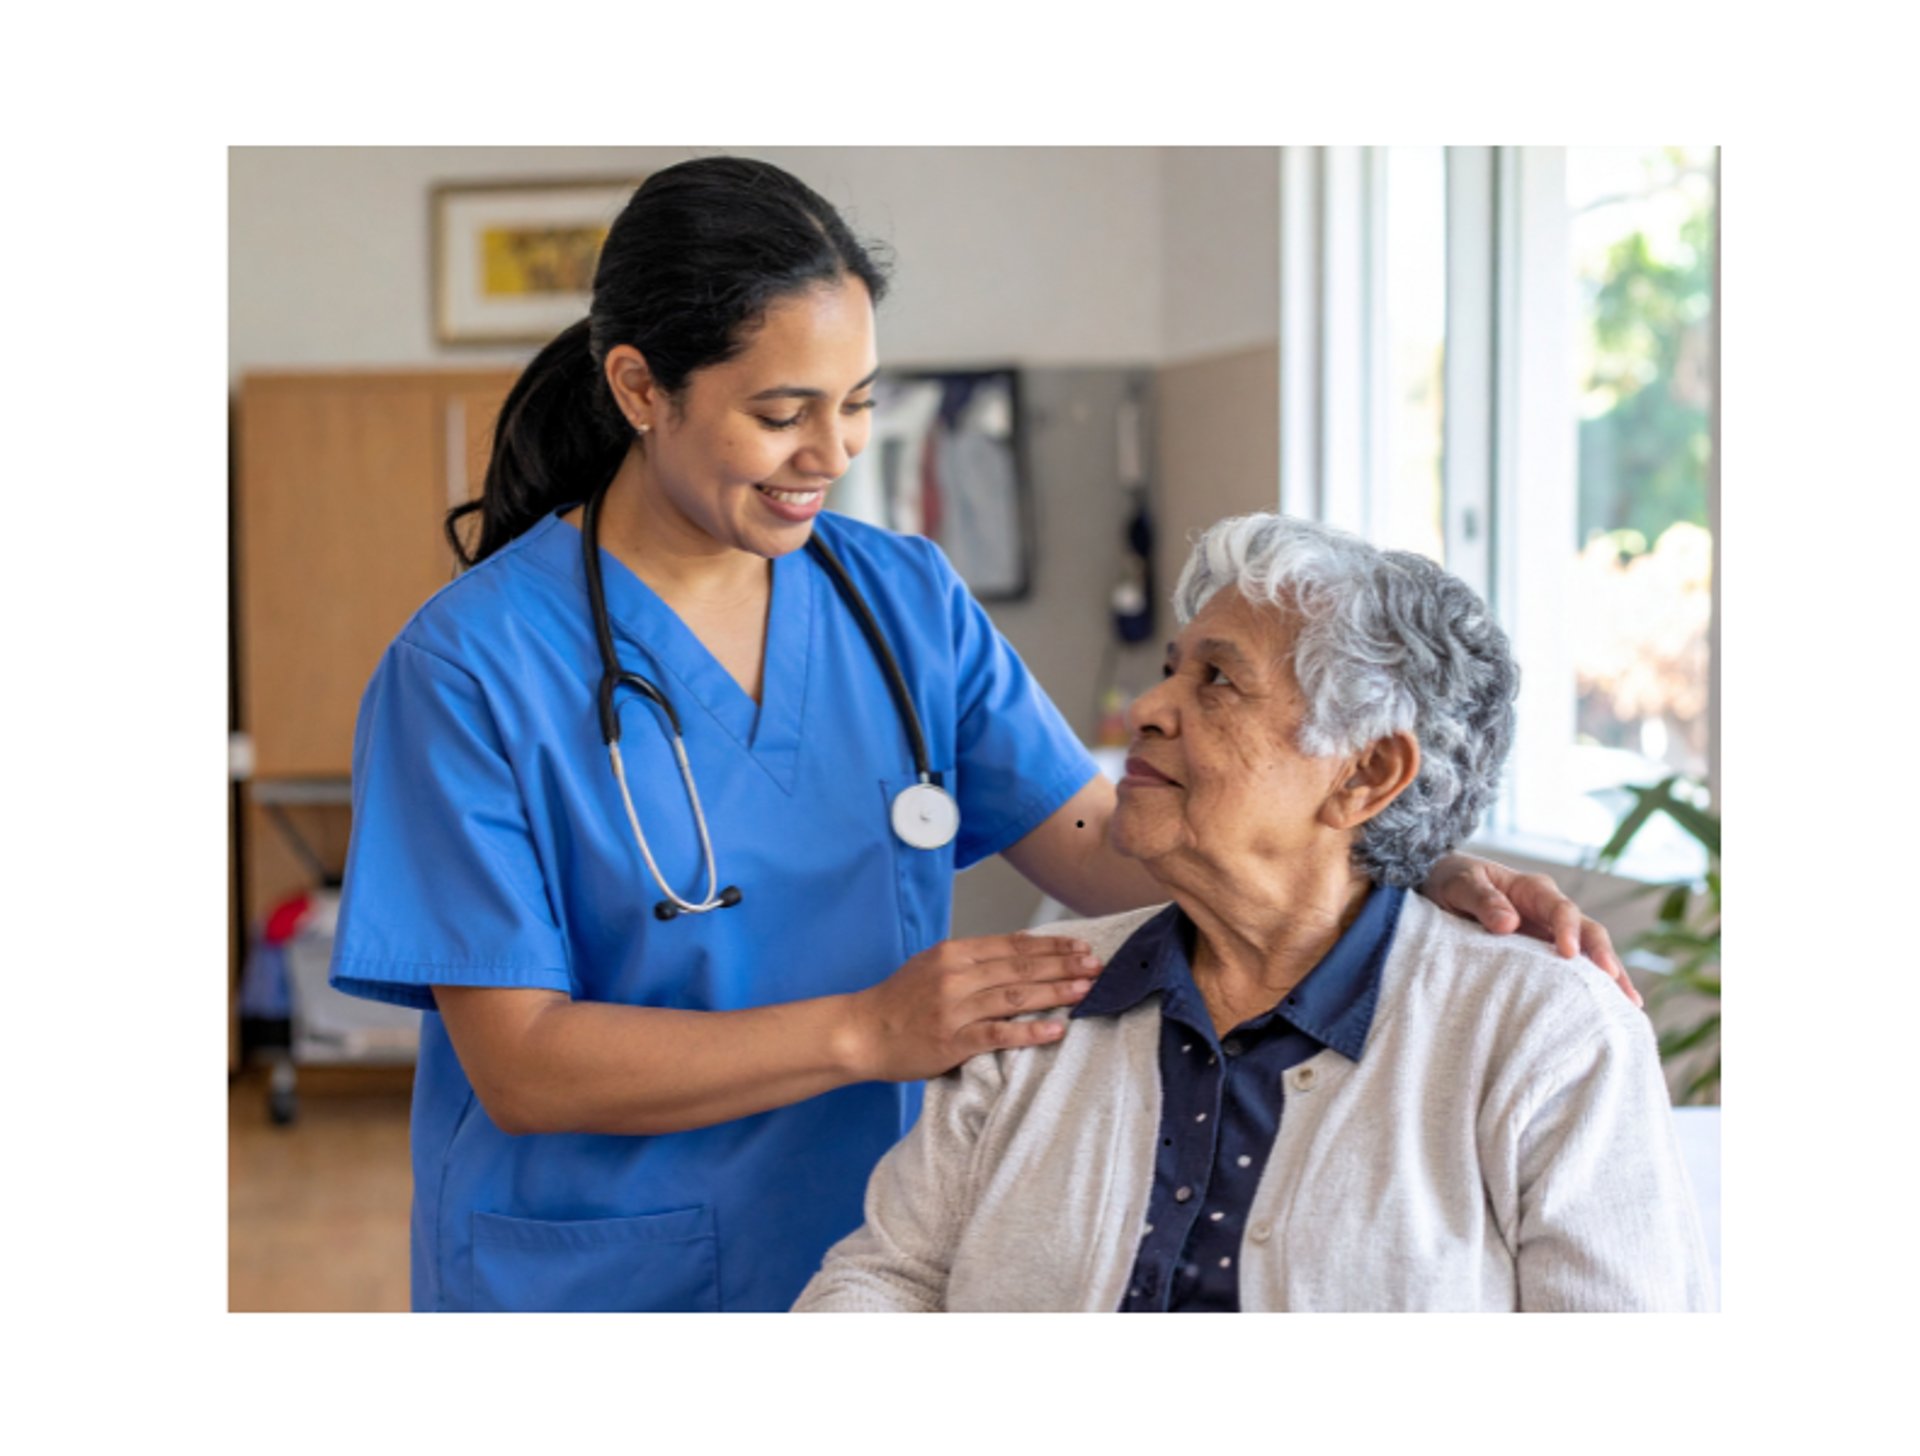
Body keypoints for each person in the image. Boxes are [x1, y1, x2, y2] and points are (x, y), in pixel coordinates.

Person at [328, 156, 1632, 1313]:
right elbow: (525, 1066)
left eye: (857, 403)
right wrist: (868, 1031)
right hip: (597, 1282)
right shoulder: (470, 667)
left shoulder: (898, 601)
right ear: (639, 387)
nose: (830, 452)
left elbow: (1112, 845)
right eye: (783, 412)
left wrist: (1382, 870)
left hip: (872, 1239)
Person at [795, 513, 1713, 1312]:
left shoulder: (1545, 1033)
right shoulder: (1042, 992)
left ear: (1365, 774)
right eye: (1169, 671)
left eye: (1218, 682)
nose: (1148, 709)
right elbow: (889, 1281)